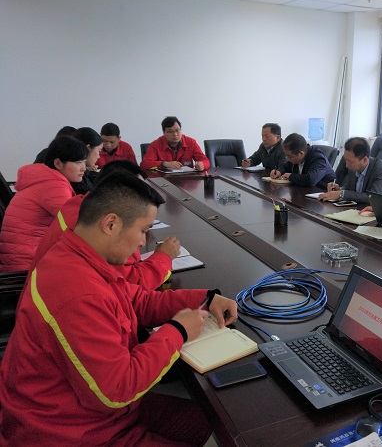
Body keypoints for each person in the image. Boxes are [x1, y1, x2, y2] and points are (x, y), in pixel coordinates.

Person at [0, 172, 238, 445]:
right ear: (110, 224)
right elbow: (115, 391)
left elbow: (137, 301)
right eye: (143, 230)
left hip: (105, 415)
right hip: (74, 432)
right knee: (220, 424)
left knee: (213, 422)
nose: (143, 242)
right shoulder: (76, 292)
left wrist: (205, 298)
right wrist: (178, 331)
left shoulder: (82, 257)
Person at [30, 160, 179, 291]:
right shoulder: (94, 229)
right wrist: (164, 257)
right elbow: (132, 284)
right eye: (138, 192)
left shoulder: (82, 206)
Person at [0, 135, 89, 272]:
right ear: (58, 163)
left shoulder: (45, 179)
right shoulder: (53, 185)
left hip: (18, 260)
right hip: (27, 265)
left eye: (84, 162)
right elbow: (76, 224)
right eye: (78, 162)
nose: (84, 168)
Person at [318, 137, 382, 204]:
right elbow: (350, 189)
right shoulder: (354, 168)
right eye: (346, 160)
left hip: (380, 213)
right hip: (358, 209)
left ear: (364, 160)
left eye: (350, 162)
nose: (346, 165)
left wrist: (341, 194)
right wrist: (339, 189)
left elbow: (371, 197)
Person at [140, 116, 210, 171]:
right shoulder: (156, 145)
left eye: (177, 130)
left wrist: (202, 165)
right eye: (170, 131)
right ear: (164, 132)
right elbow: (144, 164)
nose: (175, 134)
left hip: (187, 180)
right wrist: (164, 164)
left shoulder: (191, 142)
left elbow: (205, 161)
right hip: (165, 180)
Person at [270, 133, 336, 189]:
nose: (287, 158)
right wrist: (279, 171)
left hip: (321, 193)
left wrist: (291, 176)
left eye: (289, 156)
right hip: (302, 191)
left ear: (301, 153)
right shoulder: (296, 157)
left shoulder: (318, 159)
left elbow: (311, 180)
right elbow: (285, 166)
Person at [71, 126, 103, 195]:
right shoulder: (76, 176)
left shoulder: (84, 173)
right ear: (88, 148)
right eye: (99, 151)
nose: (98, 156)